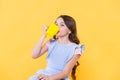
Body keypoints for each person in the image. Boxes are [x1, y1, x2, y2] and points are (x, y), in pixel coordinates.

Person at [29, 15, 85, 80]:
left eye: (62, 25)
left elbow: (65, 73)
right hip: (46, 75)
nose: (57, 27)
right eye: (56, 24)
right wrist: (44, 36)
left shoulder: (76, 49)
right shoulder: (51, 43)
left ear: (69, 30)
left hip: (59, 77)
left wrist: (49, 78)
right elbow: (34, 55)